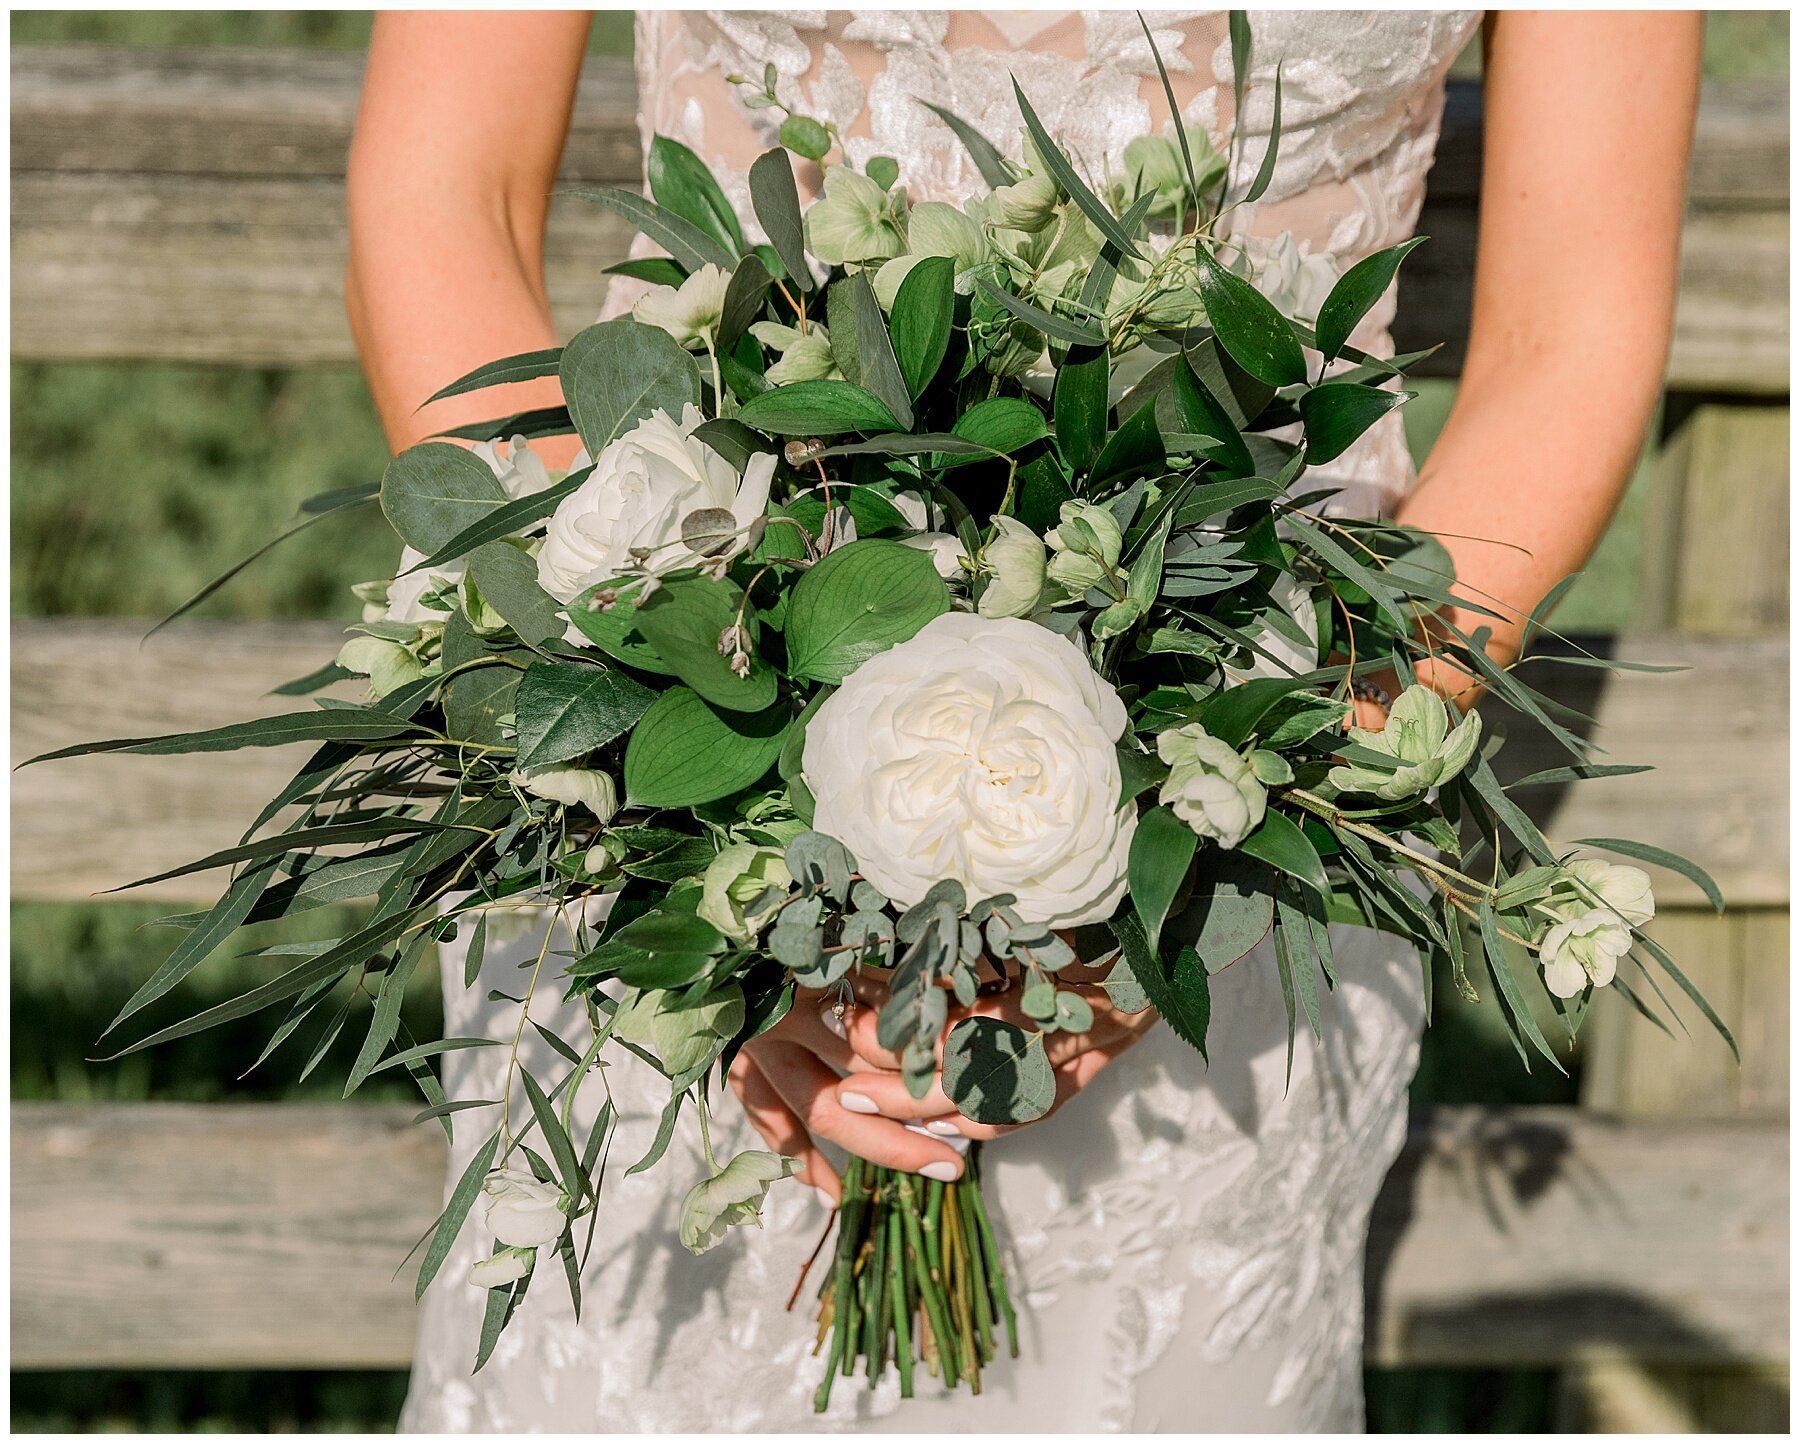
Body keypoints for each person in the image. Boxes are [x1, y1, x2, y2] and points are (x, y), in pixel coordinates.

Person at [346, 11, 1699, 1430]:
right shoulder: (681, 777)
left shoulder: (1238, 815)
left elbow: (1569, 331)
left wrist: (1217, 842)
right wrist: (694, 811)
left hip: (1258, 774)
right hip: (680, 699)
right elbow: (447, 192)